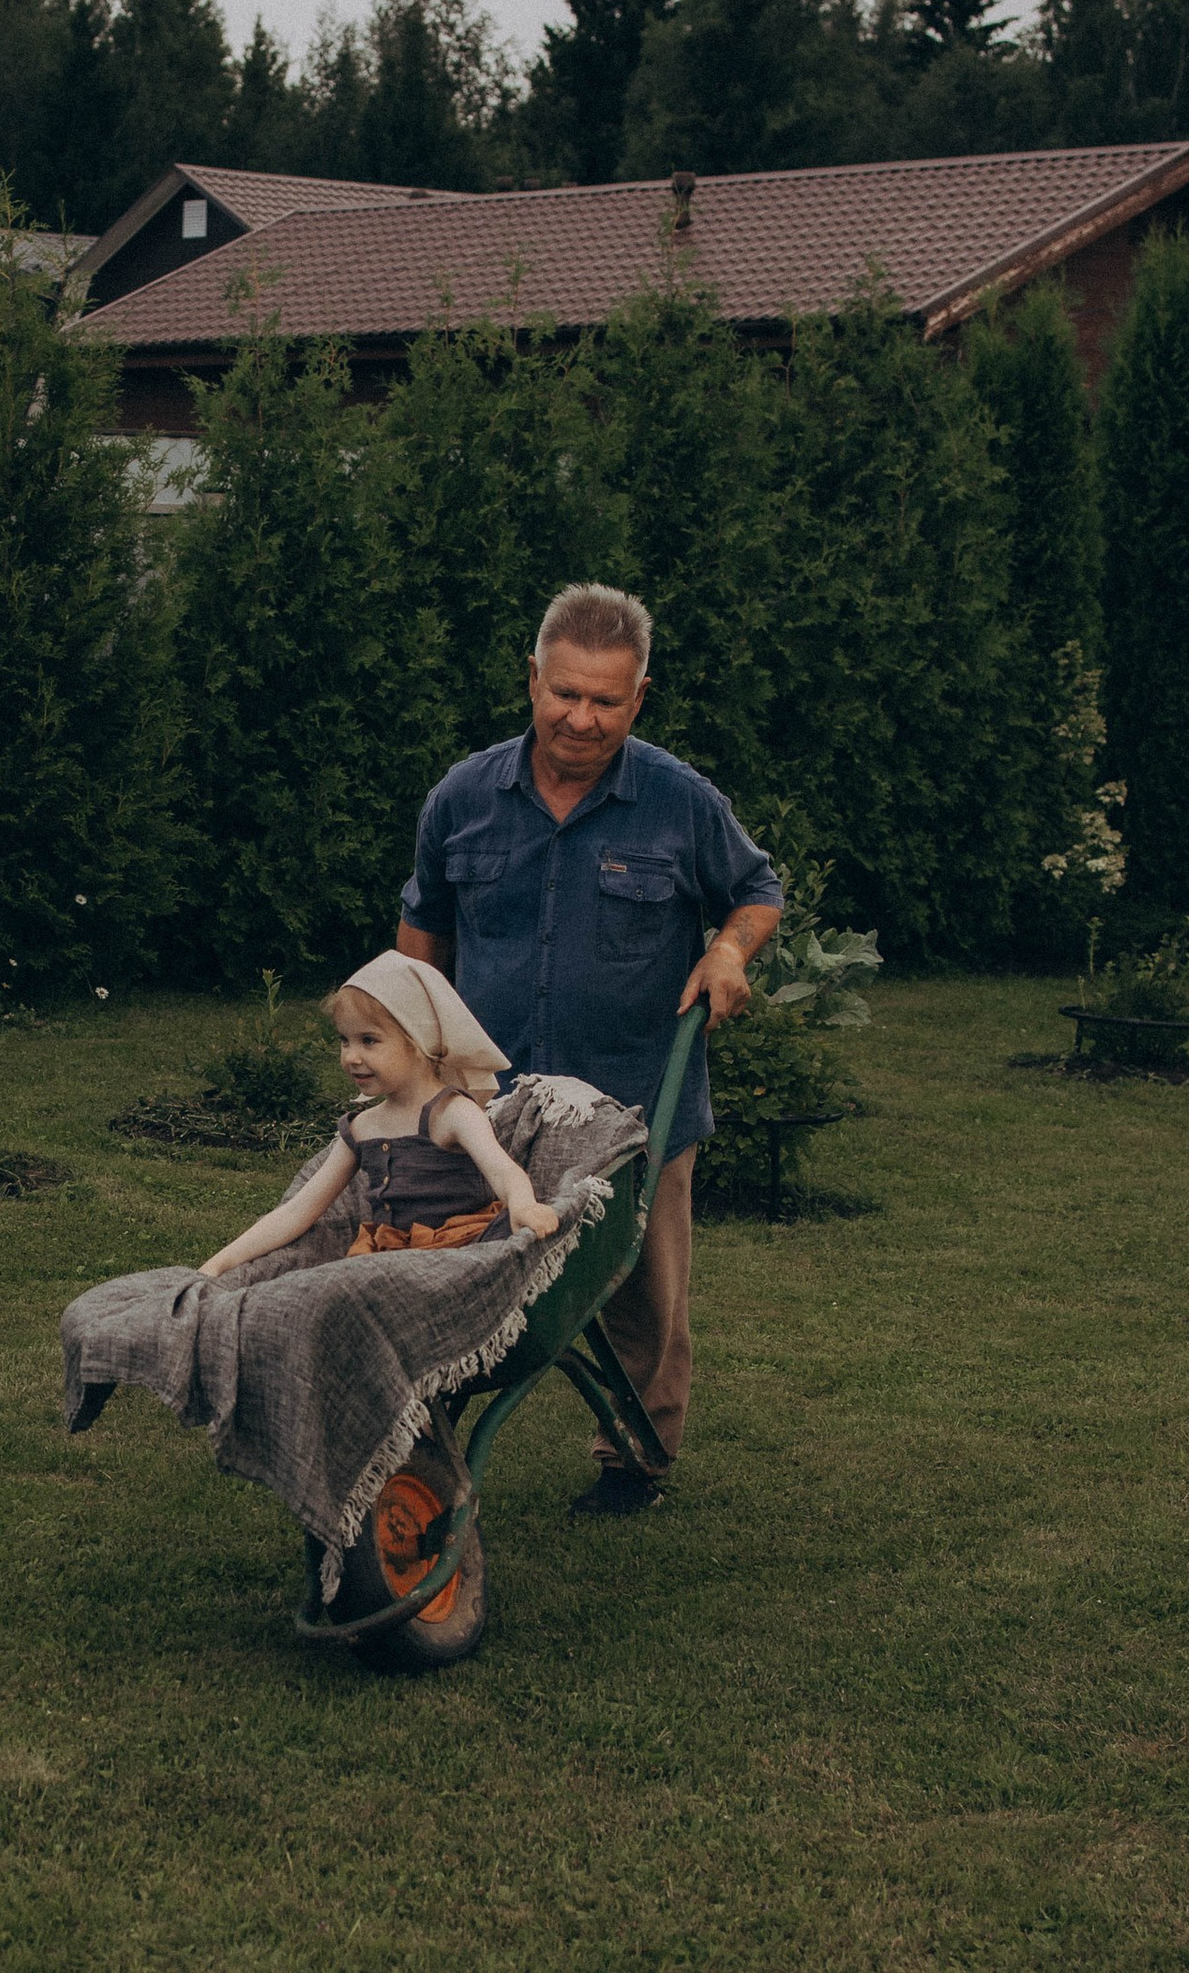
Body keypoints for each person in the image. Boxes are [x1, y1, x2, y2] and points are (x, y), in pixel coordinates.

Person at [396, 582, 781, 1518]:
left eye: (606, 700)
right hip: (491, 1106)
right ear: (532, 679)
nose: (581, 716)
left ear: (639, 697)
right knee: (437, 1265)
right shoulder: (465, 796)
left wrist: (729, 948)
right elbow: (423, 927)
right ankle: (415, 1431)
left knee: (642, 1294)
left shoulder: (679, 801)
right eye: (565, 693)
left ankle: (633, 1456)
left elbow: (756, 886)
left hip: (635, 1109)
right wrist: (413, 1056)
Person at [198, 952, 560, 1280]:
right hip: (388, 1262)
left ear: (418, 1041)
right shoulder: (362, 1127)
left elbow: (503, 1170)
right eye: (344, 1040)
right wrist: (220, 1263)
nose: (351, 1056)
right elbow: (299, 1211)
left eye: (368, 1040)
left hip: (457, 1254)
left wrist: (524, 1204)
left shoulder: (452, 1112)